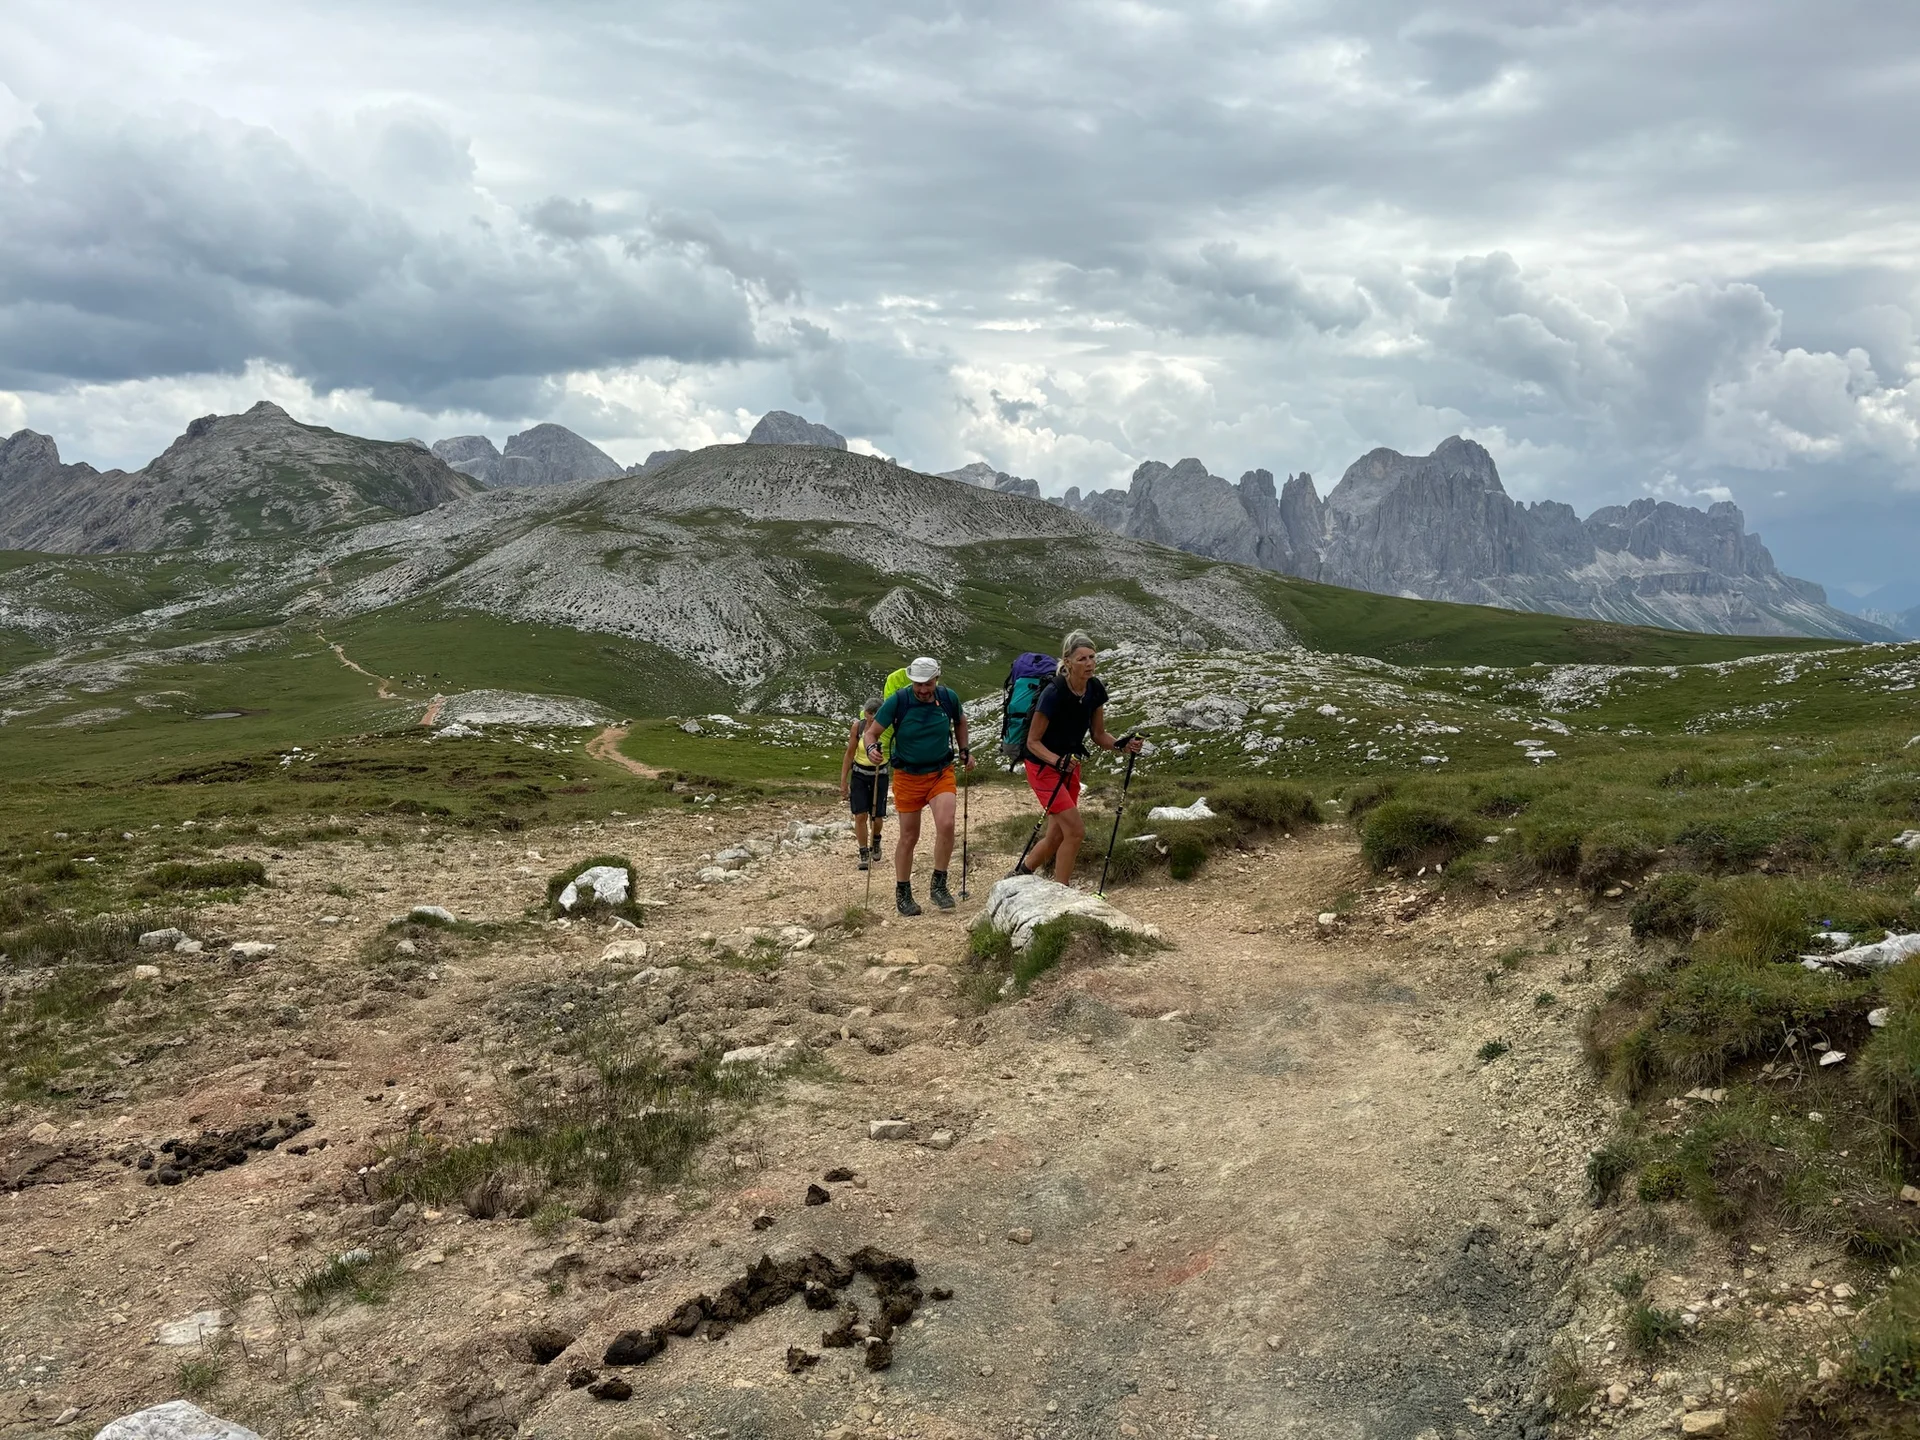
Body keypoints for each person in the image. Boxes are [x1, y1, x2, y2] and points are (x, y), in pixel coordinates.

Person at [1013, 630, 1143, 884]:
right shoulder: (1053, 693)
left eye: (1092, 657)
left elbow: (1098, 734)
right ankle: (1062, 891)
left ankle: (1020, 874)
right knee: (1075, 831)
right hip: (1042, 767)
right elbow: (1032, 742)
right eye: (1082, 659)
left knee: (1058, 835)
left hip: (1069, 766)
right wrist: (1056, 761)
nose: (1090, 663)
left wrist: (1122, 745)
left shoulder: (1094, 689)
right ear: (1068, 661)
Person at [864, 655, 974, 915]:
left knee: (946, 824)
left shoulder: (948, 698)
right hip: (908, 776)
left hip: (940, 772)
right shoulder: (899, 701)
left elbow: (960, 720)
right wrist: (870, 749)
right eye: (918, 684)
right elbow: (872, 732)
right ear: (912, 681)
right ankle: (903, 892)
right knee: (909, 836)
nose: (923, 690)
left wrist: (964, 749)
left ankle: (939, 884)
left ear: (937, 678)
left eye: (928, 684)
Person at [840, 694, 889, 871]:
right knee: (860, 815)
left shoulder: (887, 728)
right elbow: (849, 754)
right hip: (860, 774)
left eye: (875, 713)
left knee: (876, 816)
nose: (872, 717)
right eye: (869, 713)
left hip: (880, 775)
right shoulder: (858, 727)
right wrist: (843, 781)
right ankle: (863, 851)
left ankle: (876, 840)